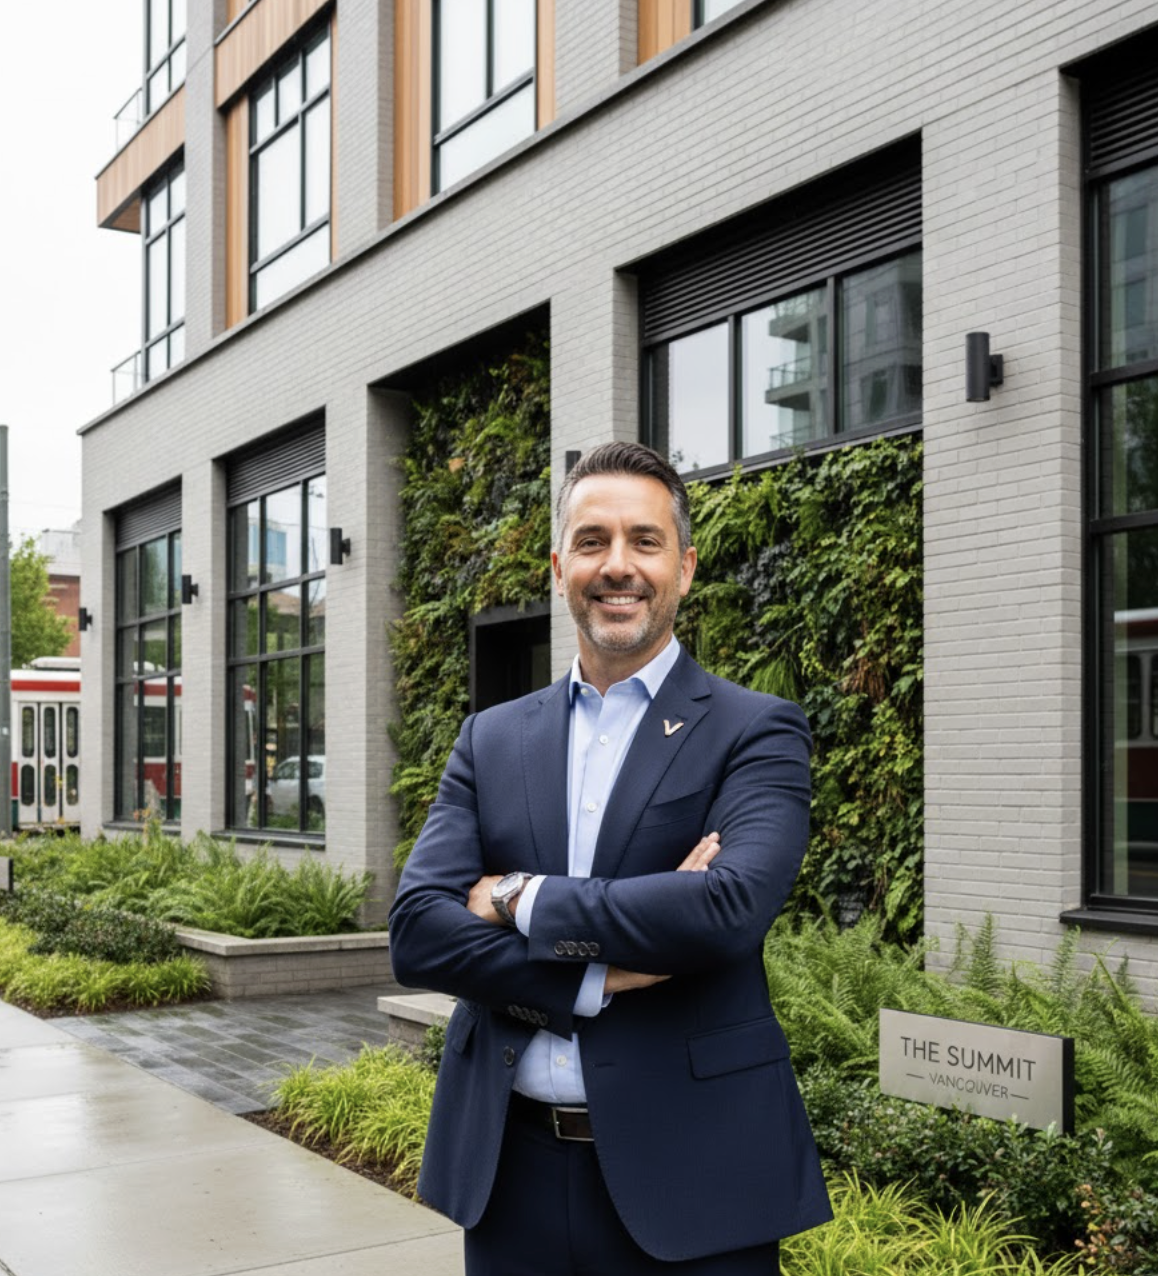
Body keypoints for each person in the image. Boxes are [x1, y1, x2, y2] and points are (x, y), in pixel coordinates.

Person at [388, 441, 831, 1274]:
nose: (616, 566)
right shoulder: (492, 737)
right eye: (592, 542)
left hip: (696, 1181)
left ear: (685, 567)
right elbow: (417, 935)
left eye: (644, 541)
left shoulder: (755, 729)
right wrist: (590, 975)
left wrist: (516, 897)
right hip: (508, 1175)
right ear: (560, 566)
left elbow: (725, 912)